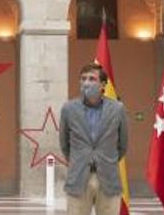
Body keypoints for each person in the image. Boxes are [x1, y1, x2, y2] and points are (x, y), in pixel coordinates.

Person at [59, 62, 128, 215]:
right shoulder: (69, 109)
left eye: (92, 79)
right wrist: (79, 159)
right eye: (83, 79)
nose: (86, 83)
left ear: (102, 84)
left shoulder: (117, 109)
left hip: (108, 178)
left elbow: (122, 145)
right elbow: (64, 144)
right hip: (78, 178)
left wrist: (106, 159)